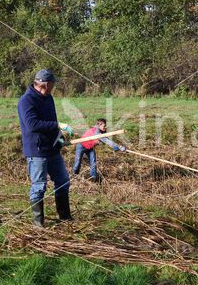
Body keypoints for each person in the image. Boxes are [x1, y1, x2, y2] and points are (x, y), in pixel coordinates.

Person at [18, 69, 74, 227]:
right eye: (52, 85)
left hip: (52, 148)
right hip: (37, 150)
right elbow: (32, 125)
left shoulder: (48, 97)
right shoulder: (26, 101)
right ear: (46, 84)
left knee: (63, 181)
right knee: (39, 186)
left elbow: (51, 121)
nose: (53, 88)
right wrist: (57, 124)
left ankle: (65, 217)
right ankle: (38, 224)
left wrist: (60, 136)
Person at [73, 118, 126, 183]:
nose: (105, 127)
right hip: (81, 146)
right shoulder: (96, 131)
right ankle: (75, 177)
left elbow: (106, 139)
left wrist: (119, 148)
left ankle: (93, 179)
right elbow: (106, 140)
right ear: (99, 124)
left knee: (93, 163)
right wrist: (119, 147)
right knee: (77, 163)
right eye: (104, 125)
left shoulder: (101, 132)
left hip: (90, 148)